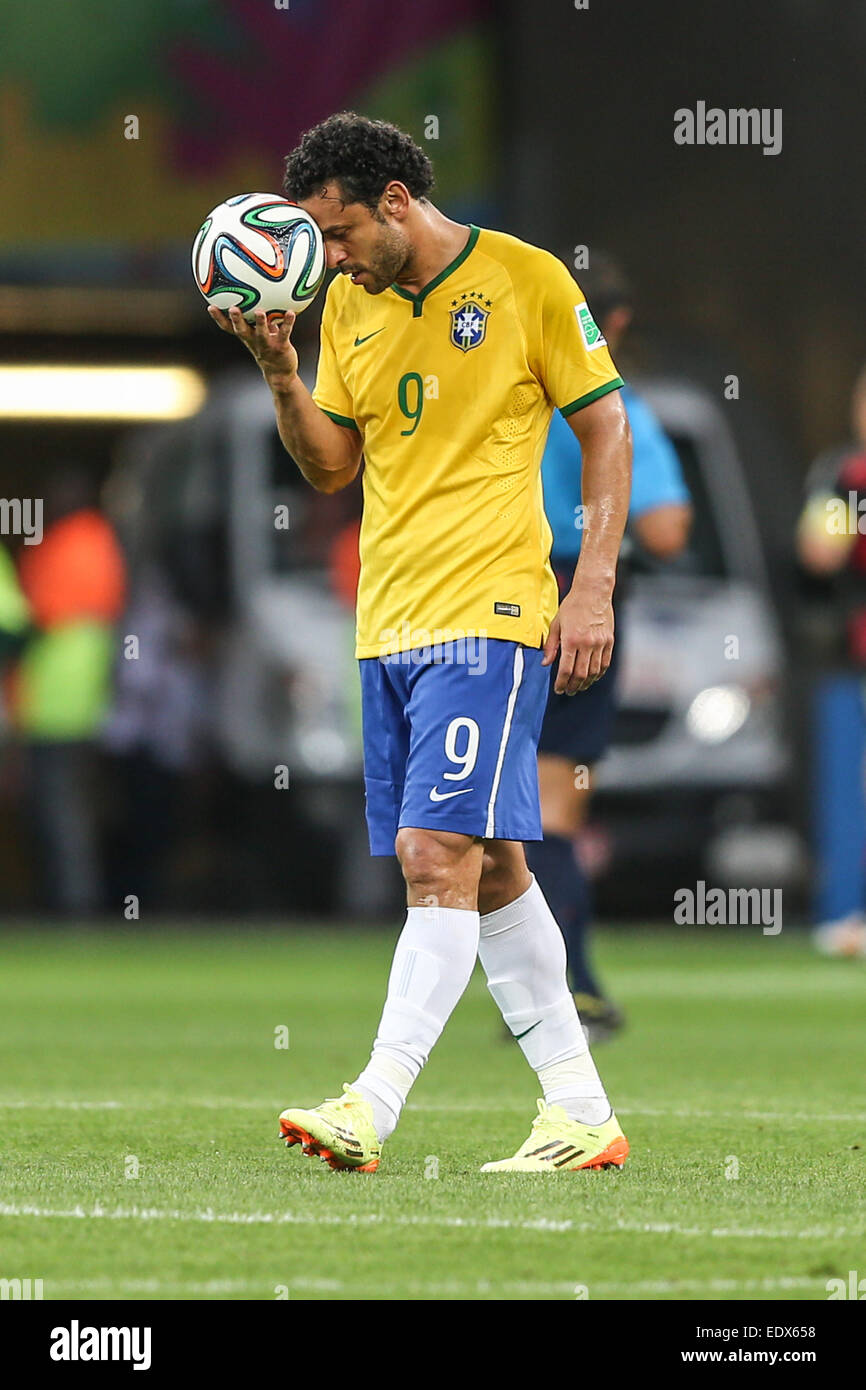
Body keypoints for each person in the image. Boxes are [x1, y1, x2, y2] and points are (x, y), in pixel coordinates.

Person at [208, 112, 633, 1174]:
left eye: (340, 235)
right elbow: (330, 468)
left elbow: (604, 426)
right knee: (490, 871)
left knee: (429, 856)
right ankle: (579, 1111)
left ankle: (372, 1103)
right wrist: (278, 372)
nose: (328, 262)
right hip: (387, 622)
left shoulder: (527, 280)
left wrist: (589, 589)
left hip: (488, 613)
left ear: (395, 200)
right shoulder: (346, 307)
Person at [530, 254, 692, 1039]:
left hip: (477, 591)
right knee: (554, 807)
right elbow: (664, 526)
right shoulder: (616, 406)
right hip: (573, 593)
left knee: (496, 810)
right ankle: (576, 990)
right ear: (615, 323)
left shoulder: (510, 392)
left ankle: (542, 991)